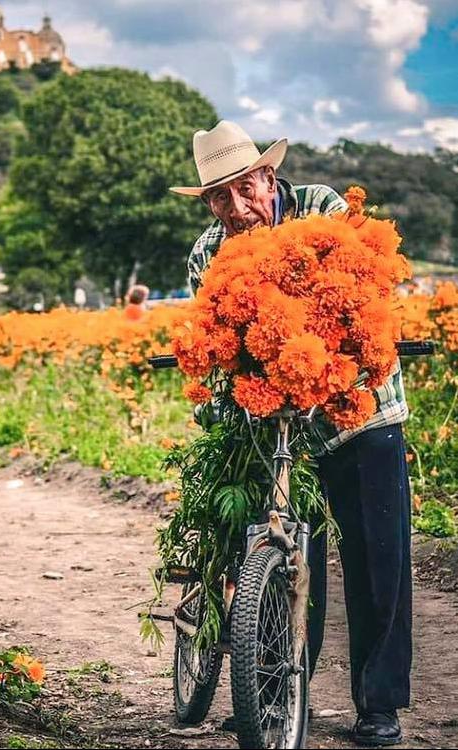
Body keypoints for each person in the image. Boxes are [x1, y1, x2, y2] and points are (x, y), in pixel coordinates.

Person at [170, 120, 412, 747]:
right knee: (280, 551)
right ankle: (271, 690)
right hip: (275, 427)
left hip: (361, 409)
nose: (234, 207)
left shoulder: (323, 210)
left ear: (269, 177)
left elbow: (363, 297)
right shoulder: (207, 253)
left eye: (242, 188)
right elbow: (215, 341)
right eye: (218, 197)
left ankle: (379, 706)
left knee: (376, 559)